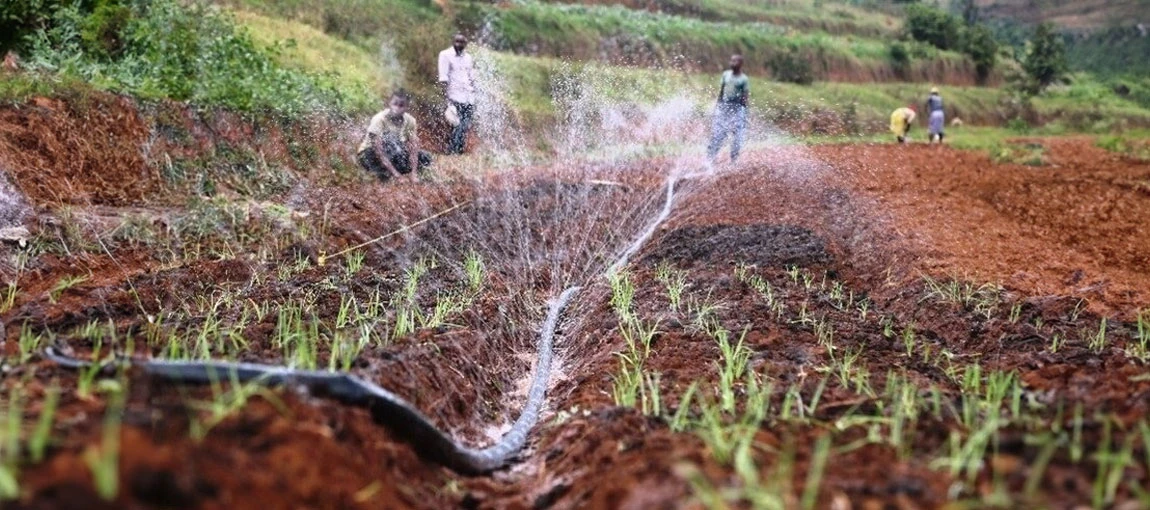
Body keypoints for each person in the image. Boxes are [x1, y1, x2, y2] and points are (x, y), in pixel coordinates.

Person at [357, 90, 431, 182]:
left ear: (407, 107)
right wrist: (398, 176)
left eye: (401, 105)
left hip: (393, 151)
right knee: (391, 141)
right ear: (389, 104)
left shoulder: (410, 121)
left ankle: (391, 172)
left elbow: (414, 148)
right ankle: (385, 173)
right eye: (394, 104)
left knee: (424, 157)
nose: (397, 108)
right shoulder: (379, 119)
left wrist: (413, 174)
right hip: (369, 155)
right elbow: (378, 152)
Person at [706, 53, 749, 166]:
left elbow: (745, 96)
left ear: (740, 64)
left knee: (737, 135)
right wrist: (718, 105)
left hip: (737, 108)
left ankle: (734, 160)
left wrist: (742, 111)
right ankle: (711, 158)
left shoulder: (743, 79)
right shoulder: (726, 74)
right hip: (724, 107)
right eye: (731, 61)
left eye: (735, 61)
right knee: (719, 132)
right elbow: (721, 91)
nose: (732, 63)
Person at [438, 33, 477, 154]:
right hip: (454, 95)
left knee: (465, 124)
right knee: (458, 123)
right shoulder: (445, 55)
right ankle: (453, 150)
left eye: (462, 42)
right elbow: (443, 77)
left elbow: (471, 76)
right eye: (457, 41)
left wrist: (475, 91)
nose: (459, 44)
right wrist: (447, 100)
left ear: (465, 44)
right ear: (453, 41)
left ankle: (458, 150)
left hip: (469, 96)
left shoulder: (468, 57)